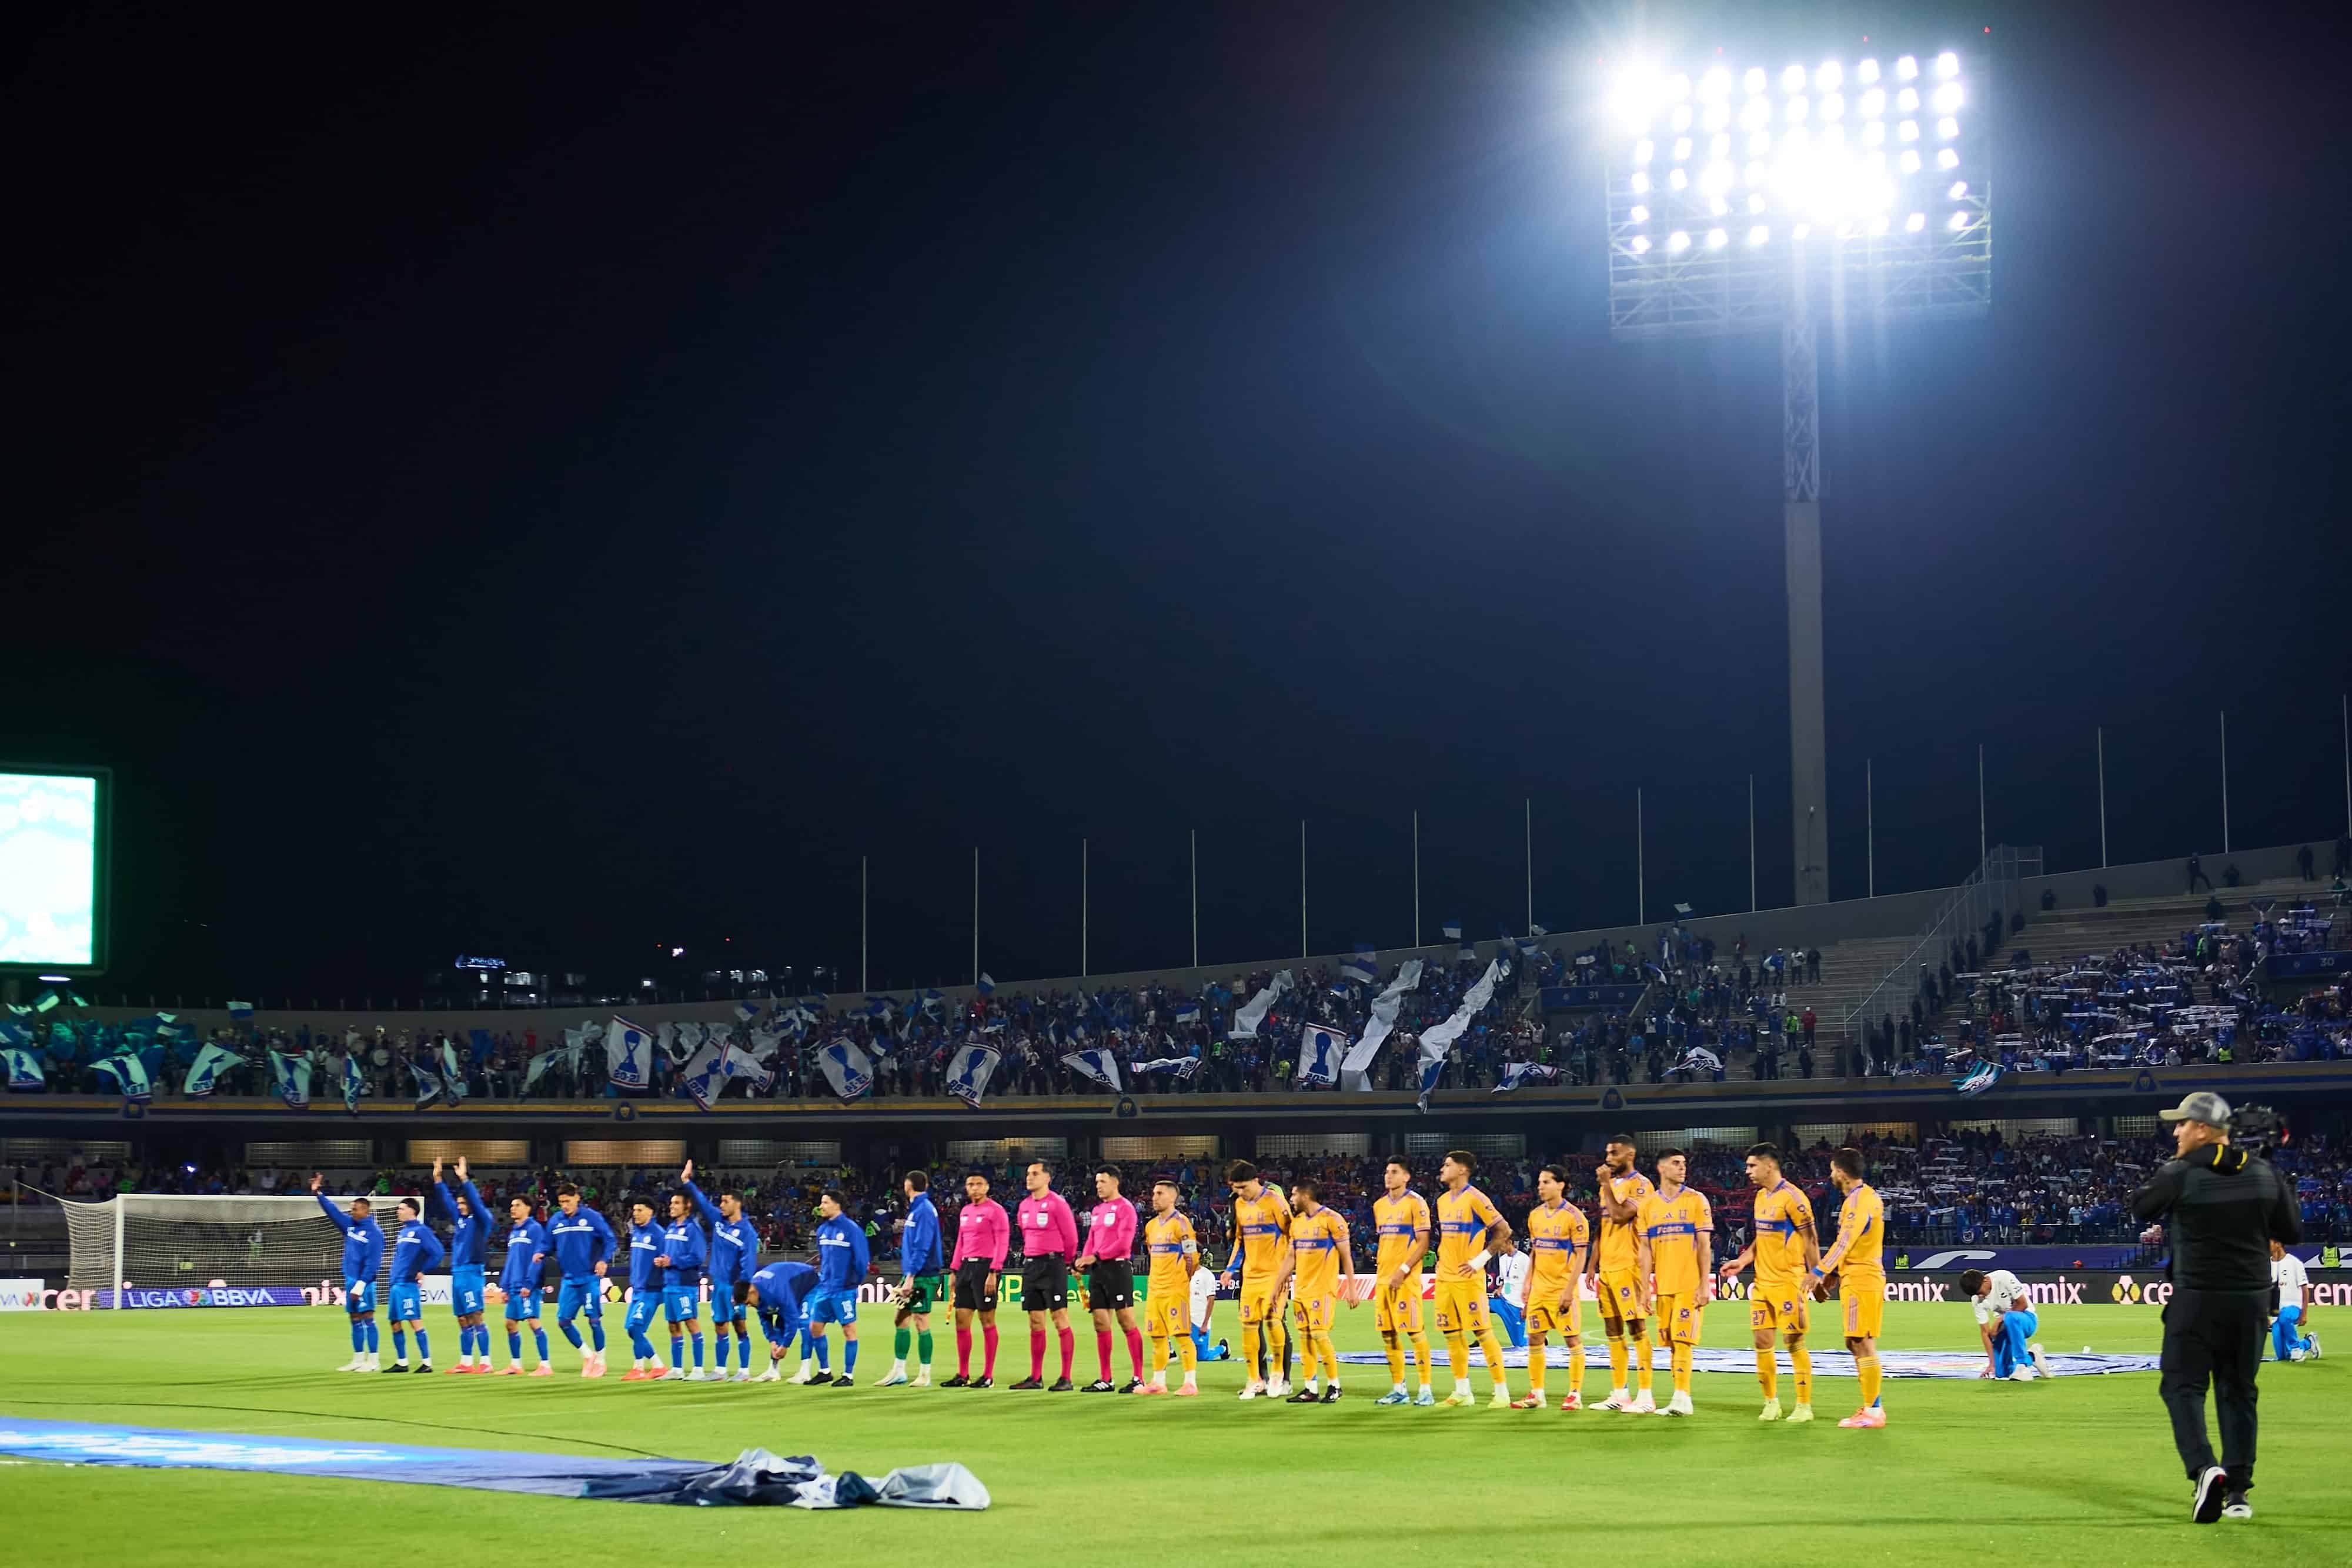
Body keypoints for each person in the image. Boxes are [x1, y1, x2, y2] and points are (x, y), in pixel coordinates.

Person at [2130, 1091, 2304, 1523]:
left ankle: (2205, 1468)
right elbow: (2292, 1230)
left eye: (2183, 1123)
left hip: (2197, 1299)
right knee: (2238, 1391)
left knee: (2182, 1386)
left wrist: (2177, 1174)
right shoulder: (2263, 1173)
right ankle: (2239, 1493)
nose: (2176, 1131)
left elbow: (2140, 1207)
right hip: (2249, 1302)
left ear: (2204, 1129)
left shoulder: (2181, 1172)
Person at [1717, 1142, 1819, 1422]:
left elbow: (1811, 1238)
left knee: (1794, 1341)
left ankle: (1803, 1405)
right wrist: (1743, 1260)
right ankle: (1771, 1402)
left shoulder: (1794, 1199)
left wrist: (1817, 1273)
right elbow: (1761, 1238)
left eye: (1752, 1166)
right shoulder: (1761, 1197)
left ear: (1770, 1165)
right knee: (1762, 1342)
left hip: (1789, 1281)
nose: (1747, 1171)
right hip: (1762, 1283)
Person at [1432, 1149, 1515, 1409]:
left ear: (1462, 1170)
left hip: (1468, 1278)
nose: (1442, 1169)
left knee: (1482, 1331)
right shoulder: (1442, 1201)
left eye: (1447, 1165)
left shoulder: (1476, 1198)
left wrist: (1479, 1261)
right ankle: (1462, 1392)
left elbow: (1504, 1230)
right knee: (1451, 1333)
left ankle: (1501, 1393)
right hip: (1445, 1277)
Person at [1813, 1148, 1889, 1427]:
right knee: (1854, 1341)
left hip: (1862, 1278)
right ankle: (1872, 1406)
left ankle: (1873, 1411)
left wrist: (1818, 1272)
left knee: (1863, 1342)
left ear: (1841, 1172)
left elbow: (1846, 1241)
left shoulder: (1858, 1202)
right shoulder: (1863, 1198)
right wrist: (1832, 1276)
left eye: (1833, 1170)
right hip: (1856, 1276)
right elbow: (1854, 1244)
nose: (1831, 1175)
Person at [1635, 1148, 1712, 1416]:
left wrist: (1705, 1284)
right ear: (1662, 1168)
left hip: (1689, 1284)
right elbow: (1644, 1251)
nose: (1682, 1168)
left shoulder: (1696, 1200)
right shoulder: (1648, 1206)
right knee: (1670, 1344)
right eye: (1676, 1164)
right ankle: (1678, 1396)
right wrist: (1645, 1289)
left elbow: (1704, 1246)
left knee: (1682, 1341)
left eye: (1684, 1164)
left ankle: (1683, 1397)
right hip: (1664, 1286)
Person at [1589, 1133, 1657, 1412]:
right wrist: (1592, 1265)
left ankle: (1646, 1396)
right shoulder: (1610, 1186)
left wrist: (1605, 1184)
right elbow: (1603, 1225)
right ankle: (1619, 1394)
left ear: (1629, 1155)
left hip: (1629, 1266)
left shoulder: (1641, 1186)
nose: (1608, 1159)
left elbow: (1620, 1216)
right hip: (1607, 1268)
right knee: (1612, 1331)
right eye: (1607, 1153)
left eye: (1614, 1153)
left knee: (1636, 1329)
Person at [1217, 1159, 1295, 1400]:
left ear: (1255, 1181)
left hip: (1275, 1274)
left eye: (1242, 1188)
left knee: (1274, 1322)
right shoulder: (1240, 1204)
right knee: (1249, 1325)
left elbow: (1293, 1234)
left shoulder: (1274, 1201)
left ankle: (1279, 1375)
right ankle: (1254, 1379)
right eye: (1236, 1189)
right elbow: (1241, 1240)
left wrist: (1288, 1270)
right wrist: (1230, 1268)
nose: (1239, 1193)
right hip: (1250, 1276)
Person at [1515, 1163, 1588, 1411]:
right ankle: (1537, 1393)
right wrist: (1527, 1283)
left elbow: (1580, 1256)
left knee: (1572, 1339)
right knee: (1535, 1338)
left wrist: (1569, 1290)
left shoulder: (1574, 1217)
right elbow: (1535, 1251)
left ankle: (1575, 1393)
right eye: (1539, 1182)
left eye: (1546, 1182)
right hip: (1539, 1290)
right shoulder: (1535, 1215)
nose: (1540, 1187)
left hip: (1562, 1289)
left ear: (1561, 1185)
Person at [1369, 1156, 1435, 1406]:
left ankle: (1426, 1390)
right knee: (1387, 1333)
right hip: (1384, 1278)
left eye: (1394, 1172)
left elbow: (1423, 1242)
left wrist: (1404, 1269)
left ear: (1406, 1177)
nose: (1388, 1176)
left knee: (1415, 1331)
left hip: (1405, 1279)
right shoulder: (1379, 1205)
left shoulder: (1416, 1203)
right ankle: (1399, 1389)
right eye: (1387, 1172)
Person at [1284, 1178, 1356, 1402]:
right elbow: (1290, 1257)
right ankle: (1310, 1388)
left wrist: (1352, 1289)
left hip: (1322, 1289)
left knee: (1319, 1335)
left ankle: (1335, 1386)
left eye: (1294, 1194)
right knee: (1305, 1338)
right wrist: (1278, 1284)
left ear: (1306, 1195)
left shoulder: (1332, 1219)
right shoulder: (1297, 1223)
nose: (1291, 1199)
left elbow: (1346, 1255)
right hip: (1301, 1290)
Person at [1075, 1164, 1145, 1393]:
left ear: (1115, 1182)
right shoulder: (1097, 1211)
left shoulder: (1126, 1208)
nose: (1098, 1186)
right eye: (1097, 1182)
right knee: (1100, 1324)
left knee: (1126, 1321)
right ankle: (1106, 1378)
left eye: (1102, 1182)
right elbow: (1092, 1239)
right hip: (1098, 1271)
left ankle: (1138, 1377)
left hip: (1117, 1269)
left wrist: (1094, 1257)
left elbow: (1124, 1244)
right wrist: (1083, 1261)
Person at [681, 1162, 754, 1382]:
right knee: (719, 1324)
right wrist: (687, 1182)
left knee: (739, 1326)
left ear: (738, 1204)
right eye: (721, 1201)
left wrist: (741, 1291)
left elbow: (749, 1264)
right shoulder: (719, 1222)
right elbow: (702, 1203)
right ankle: (721, 1370)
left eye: (726, 1201)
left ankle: (744, 1371)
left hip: (735, 1287)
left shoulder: (747, 1232)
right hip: (719, 1284)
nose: (721, 1205)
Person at [1010, 1161, 1079, 1390]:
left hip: (1053, 1265)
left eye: (1035, 1174)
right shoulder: (1023, 1206)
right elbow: (1023, 1231)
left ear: (1048, 1178)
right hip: (1031, 1266)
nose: (1029, 1177)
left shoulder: (1058, 1204)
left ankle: (1066, 1378)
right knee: (1035, 1321)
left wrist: (1066, 1262)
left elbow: (1071, 1238)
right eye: (1028, 1173)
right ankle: (1036, 1377)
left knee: (1059, 1318)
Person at [311, 1175, 383, 1372]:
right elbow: (333, 1211)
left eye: (355, 1209)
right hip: (351, 1279)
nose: (351, 1211)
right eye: (351, 1209)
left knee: (368, 1317)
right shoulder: (350, 1225)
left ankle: (374, 1360)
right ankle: (358, 1359)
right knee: (354, 1318)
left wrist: (362, 1284)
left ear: (365, 1210)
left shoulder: (375, 1233)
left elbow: (373, 1262)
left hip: (364, 1283)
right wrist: (318, 1193)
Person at [943, 1170, 1008, 1388]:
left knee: (987, 1321)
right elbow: (961, 1241)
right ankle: (963, 1374)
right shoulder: (966, 1211)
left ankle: (988, 1375)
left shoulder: (996, 1211)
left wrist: (994, 1271)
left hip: (985, 1267)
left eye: (979, 1184)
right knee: (962, 1321)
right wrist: (954, 1270)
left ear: (987, 1187)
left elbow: (1002, 1241)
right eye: (971, 1184)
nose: (975, 1188)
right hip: (966, 1267)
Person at [880, 1170, 944, 1388]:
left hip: (922, 1276)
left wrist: (911, 1276)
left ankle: (925, 1374)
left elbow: (922, 1246)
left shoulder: (924, 1211)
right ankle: (899, 1371)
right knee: (901, 1319)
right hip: (914, 1274)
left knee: (921, 1320)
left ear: (909, 1185)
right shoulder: (917, 1209)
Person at [1138, 1178, 1201, 1395]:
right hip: (1155, 1289)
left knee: (1182, 1335)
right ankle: (1158, 1382)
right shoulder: (1151, 1226)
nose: (1154, 1198)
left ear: (1173, 1197)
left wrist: (1183, 1280)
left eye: (1160, 1194)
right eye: (1154, 1194)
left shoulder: (1182, 1224)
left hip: (1175, 1290)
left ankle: (1190, 1383)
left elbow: (1192, 1256)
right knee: (1157, 1337)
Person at [803, 1188, 871, 1386]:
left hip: (844, 1289)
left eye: (825, 1202)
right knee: (815, 1327)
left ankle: (848, 1375)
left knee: (849, 1330)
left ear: (836, 1205)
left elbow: (861, 1260)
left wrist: (852, 1282)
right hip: (825, 1288)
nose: (821, 1206)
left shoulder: (851, 1229)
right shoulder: (823, 1230)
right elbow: (824, 1258)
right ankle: (825, 1371)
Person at [429, 1158, 491, 1373]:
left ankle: (485, 1361)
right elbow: (447, 1201)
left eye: (464, 1204)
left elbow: (475, 1200)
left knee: (476, 1316)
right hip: (457, 1274)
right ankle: (466, 1362)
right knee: (462, 1319)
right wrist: (438, 1179)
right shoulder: (462, 1220)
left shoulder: (482, 1220)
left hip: (472, 1272)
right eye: (460, 1204)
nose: (460, 1207)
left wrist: (464, 1178)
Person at [547, 1182, 615, 1378]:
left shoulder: (592, 1217)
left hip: (589, 1278)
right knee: (563, 1322)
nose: (565, 1206)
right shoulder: (555, 1221)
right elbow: (547, 1244)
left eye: (568, 1201)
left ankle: (601, 1361)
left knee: (594, 1321)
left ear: (577, 1197)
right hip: (569, 1280)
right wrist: (539, 1253)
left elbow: (610, 1240)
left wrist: (603, 1260)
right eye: (561, 1202)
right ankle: (587, 1355)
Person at [382, 1196, 445, 1373]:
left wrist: (422, 1270)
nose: (398, 1211)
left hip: (408, 1284)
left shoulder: (421, 1231)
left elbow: (438, 1253)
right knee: (395, 1322)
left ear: (412, 1210)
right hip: (396, 1284)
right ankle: (402, 1362)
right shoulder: (403, 1232)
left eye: (402, 1209)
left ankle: (427, 1363)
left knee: (414, 1322)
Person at [652, 1190, 709, 1380]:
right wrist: (663, 1261)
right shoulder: (671, 1227)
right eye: (671, 1203)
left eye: (676, 1203)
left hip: (685, 1284)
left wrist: (673, 1261)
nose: (672, 1206)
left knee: (691, 1322)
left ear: (687, 1206)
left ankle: (698, 1369)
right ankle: (677, 1369)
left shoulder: (693, 1228)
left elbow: (698, 1257)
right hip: (670, 1283)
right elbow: (670, 1255)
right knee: (673, 1325)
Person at [493, 1195, 550, 1375]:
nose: (513, 1208)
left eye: (517, 1205)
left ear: (528, 1208)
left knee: (533, 1322)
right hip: (513, 1285)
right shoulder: (515, 1231)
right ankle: (516, 1365)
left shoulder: (535, 1229)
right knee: (510, 1323)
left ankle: (545, 1365)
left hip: (527, 1285)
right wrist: (504, 1287)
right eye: (512, 1205)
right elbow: (511, 1261)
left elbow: (538, 1258)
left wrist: (530, 1283)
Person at [1958, 1268, 2047, 1381]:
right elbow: (1985, 1332)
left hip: (2027, 1320)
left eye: (1980, 1292)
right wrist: (1992, 1364)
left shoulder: (2003, 1277)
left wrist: (2000, 1320)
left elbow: (2022, 1304)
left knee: (2010, 1317)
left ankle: (2023, 1366)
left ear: (1985, 1281)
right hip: (2006, 1328)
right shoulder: (1977, 1299)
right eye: (1976, 1294)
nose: (1980, 1297)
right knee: (2001, 1374)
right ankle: (2032, 1357)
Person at [745, 1259, 820, 1381]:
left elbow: (792, 1319)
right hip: (790, 1286)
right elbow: (765, 1319)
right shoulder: (756, 1292)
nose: (748, 1306)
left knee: (805, 1323)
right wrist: (773, 1341)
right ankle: (773, 1371)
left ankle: (805, 1372)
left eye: (748, 1302)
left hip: (809, 1285)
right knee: (779, 1326)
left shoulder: (776, 1290)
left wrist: (785, 1345)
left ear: (752, 1293)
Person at [619, 1197, 666, 1380]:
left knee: (635, 1327)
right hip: (639, 1289)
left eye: (639, 1210)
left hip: (652, 1290)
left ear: (650, 1212)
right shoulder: (636, 1232)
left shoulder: (658, 1234)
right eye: (634, 1210)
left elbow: (666, 1257)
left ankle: (645, 1367)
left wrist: (662, 1262)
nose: (635, 1214)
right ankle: (649, 1366)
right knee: (632, 1330)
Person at [2268, 1242, 2317, 1362]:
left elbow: (2305, 1290)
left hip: (2293, 1307)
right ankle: (2308, 1342)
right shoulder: (2265, 1265)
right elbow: (2264, 1292)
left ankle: (2295, 1347)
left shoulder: (2294, 1263)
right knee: (2282, 1356)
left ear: (2279, 1244)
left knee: (2285, 1316)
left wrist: (2304, 1314)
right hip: (2275, 1314)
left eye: (2269, 1242)